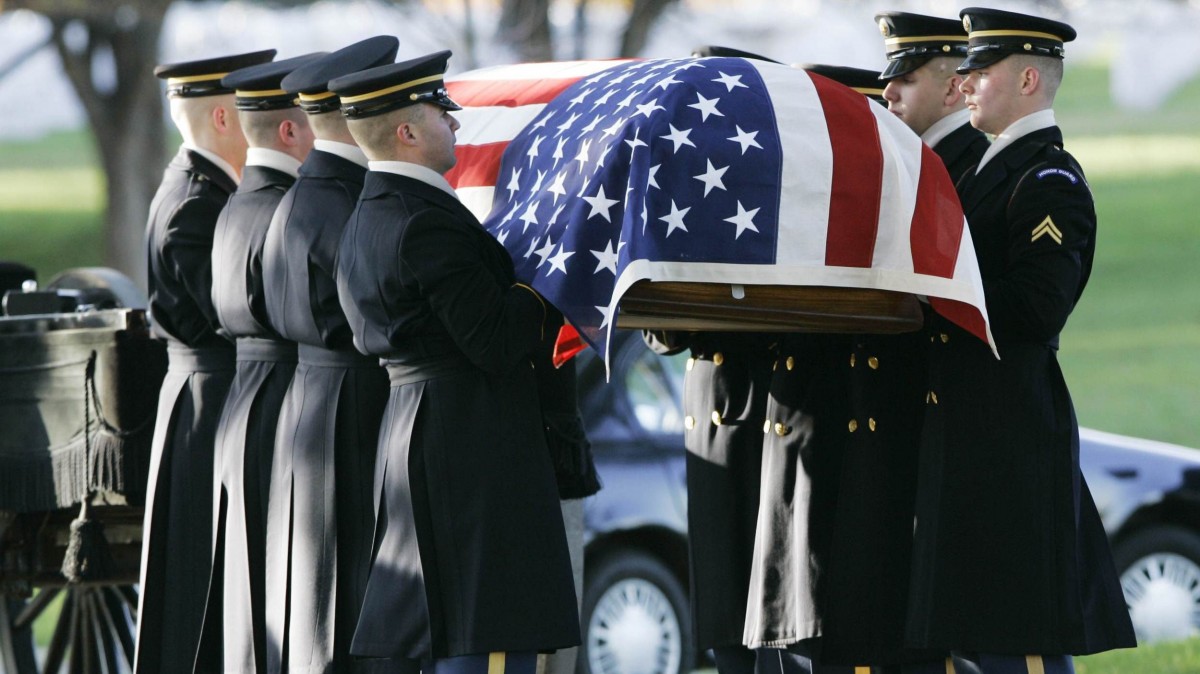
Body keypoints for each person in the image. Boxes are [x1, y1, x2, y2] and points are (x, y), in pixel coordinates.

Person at [328, 51, 580, 674]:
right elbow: (494, 339)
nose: (458, 126)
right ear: (408, 132)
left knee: (449, 628)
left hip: (424, 430)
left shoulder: (370, 213)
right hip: (472, 445)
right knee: (486, 632)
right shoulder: (424, 224)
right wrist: (547, 268)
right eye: (444, 115)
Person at [907, 8, 1137, 673]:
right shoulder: (983, 174)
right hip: (969, 432)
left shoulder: (1047, 181)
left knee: (1016, 643)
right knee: (972, 638)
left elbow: (1038, 307)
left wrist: (927, 297)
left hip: (1009, 437)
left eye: (981, 70)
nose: (967, 83)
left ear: (1029, 78)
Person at [257, 36, 412, 674]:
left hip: (308, 404)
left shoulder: (295, 196)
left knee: (316, 594)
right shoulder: (350, 203)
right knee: (353, 597)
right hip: (356, 406)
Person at [136, 47, 276, 674]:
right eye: (248, 109)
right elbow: (232, 320)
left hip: (204, 398)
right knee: (205, 586)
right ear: (225, 119)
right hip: (210, 405)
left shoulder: (200, 188)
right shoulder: (197, 203)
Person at [198, 52, 323, 674]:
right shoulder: (286, 209)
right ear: (291, 129)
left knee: (253, 602)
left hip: (244, 403)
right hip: (283, 405)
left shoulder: (234, 204)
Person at [876, 11, 990, 185]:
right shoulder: (923, 159)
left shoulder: (977, 172)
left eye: (907, 80)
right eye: (891, 81)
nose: (888, 94)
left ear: (951, 90)